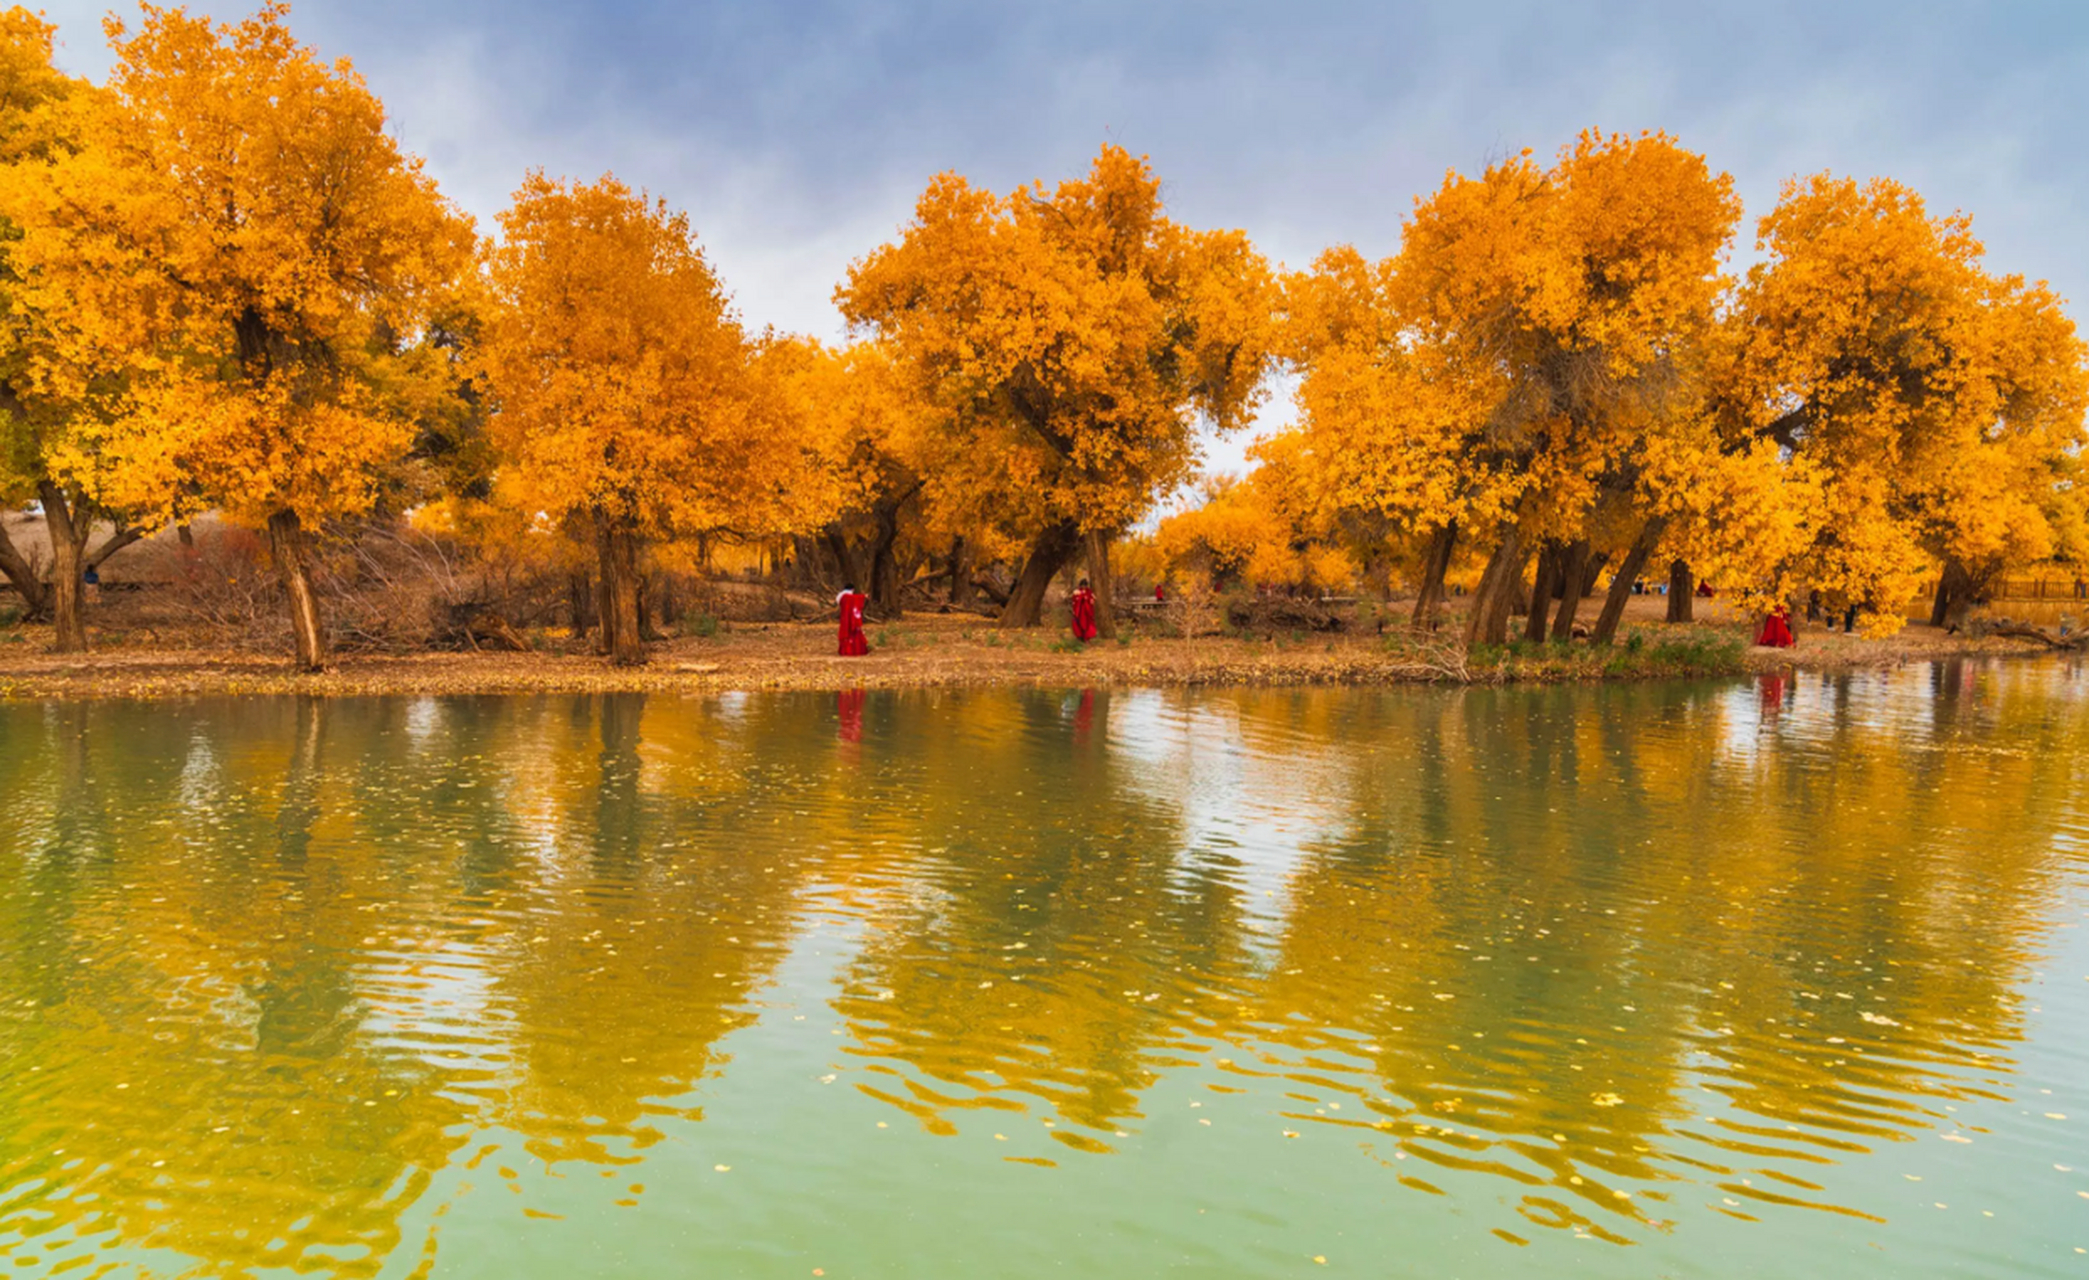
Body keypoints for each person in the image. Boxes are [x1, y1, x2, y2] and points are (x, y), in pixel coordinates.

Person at [836, 583, 869, 656]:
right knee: (852, 631)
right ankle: (853, 650)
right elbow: (854, 598)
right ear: (852, 589)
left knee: (845, 631)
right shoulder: (846, 596)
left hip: (844, 616)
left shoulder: (841, 596)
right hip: (849, 616)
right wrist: (863, 596)